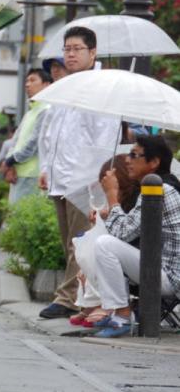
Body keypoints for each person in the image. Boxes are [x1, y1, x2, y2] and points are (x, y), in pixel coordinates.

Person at [36, 26, 121, 319]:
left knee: (81, 242)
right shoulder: (65, 86)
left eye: (77, 49)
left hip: (84, 180)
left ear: (92, 52)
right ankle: (77, 297)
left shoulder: (102, 89)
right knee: (68, 242)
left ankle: (68, 298)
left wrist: (94, 180)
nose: (70, 54)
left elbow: (106, 140)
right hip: (60, 178)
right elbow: (50, 135)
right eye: (67, 49)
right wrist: (46, 168)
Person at [90, 135, 180, 336]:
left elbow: (122, 234)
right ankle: (118, 312)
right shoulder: (161, 185)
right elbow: (130, 233)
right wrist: (110, 212)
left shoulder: (159, 189)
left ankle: (122, 316)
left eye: (134, 155)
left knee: (105, 244)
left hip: (170, 277)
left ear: (154, 162)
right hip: (162, 269)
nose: (127, 160)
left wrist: (112, 197)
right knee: (107, 246)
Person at [70, 155, 139, 327]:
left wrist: (111, 202)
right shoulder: (120, 200)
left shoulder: (140, 198)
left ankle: (104, 304)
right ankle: (92, 302)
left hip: (137, 257)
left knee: (101, 243)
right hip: (124, 254)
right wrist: (100, 219)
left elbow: (124, 234)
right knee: (89, 241)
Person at [2, 67, 51, 204]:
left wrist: (9, 161)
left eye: (33, 80)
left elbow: (33, 144)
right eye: (27, 80)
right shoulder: (30, 112)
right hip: (19, 172)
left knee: (24, 219)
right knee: (15, 216)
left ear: (46, 85)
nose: (27, 84)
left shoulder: (46, 110)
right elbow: (15, 141)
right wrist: (10, 165)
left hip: (33, 174)